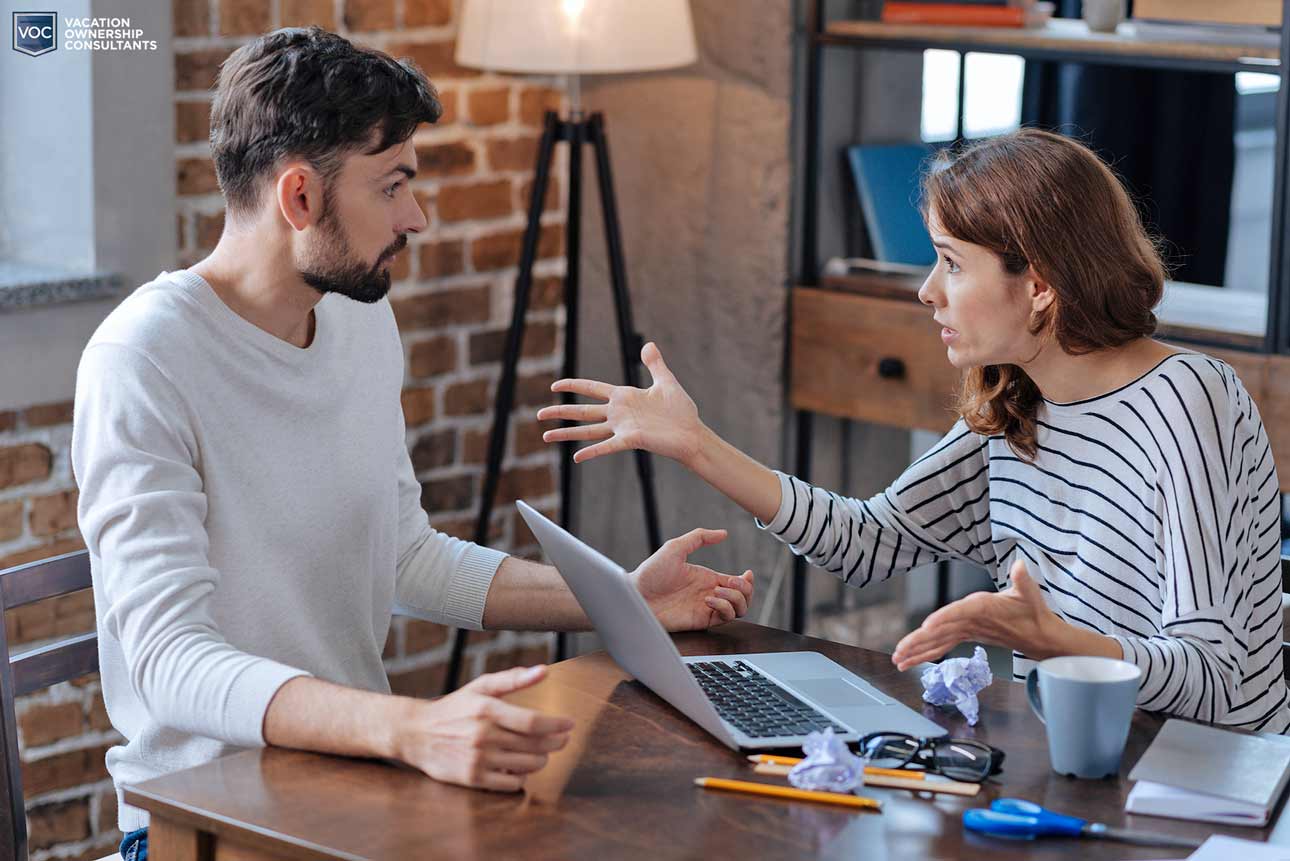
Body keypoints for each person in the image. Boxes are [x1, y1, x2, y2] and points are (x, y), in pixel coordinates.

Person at [72, 27, 755, 860]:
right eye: (392, 186)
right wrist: (412, 728)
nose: (417, 217)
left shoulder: (359, 320)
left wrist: (620, 602)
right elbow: (168, 664)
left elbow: (403, 557)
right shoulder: (143, 359)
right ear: (299, 198)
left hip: (354, 792)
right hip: (204, 825)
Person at [539, 128, 1288, 735]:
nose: (927, 291)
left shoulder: (1190, 402)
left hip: (1208, 783)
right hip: (1077, 757)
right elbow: (870, 541)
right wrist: (695, 443)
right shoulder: (1019, 399)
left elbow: (1214, 677)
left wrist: (1053, 641)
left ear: (1039, 284)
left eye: (952, 264)